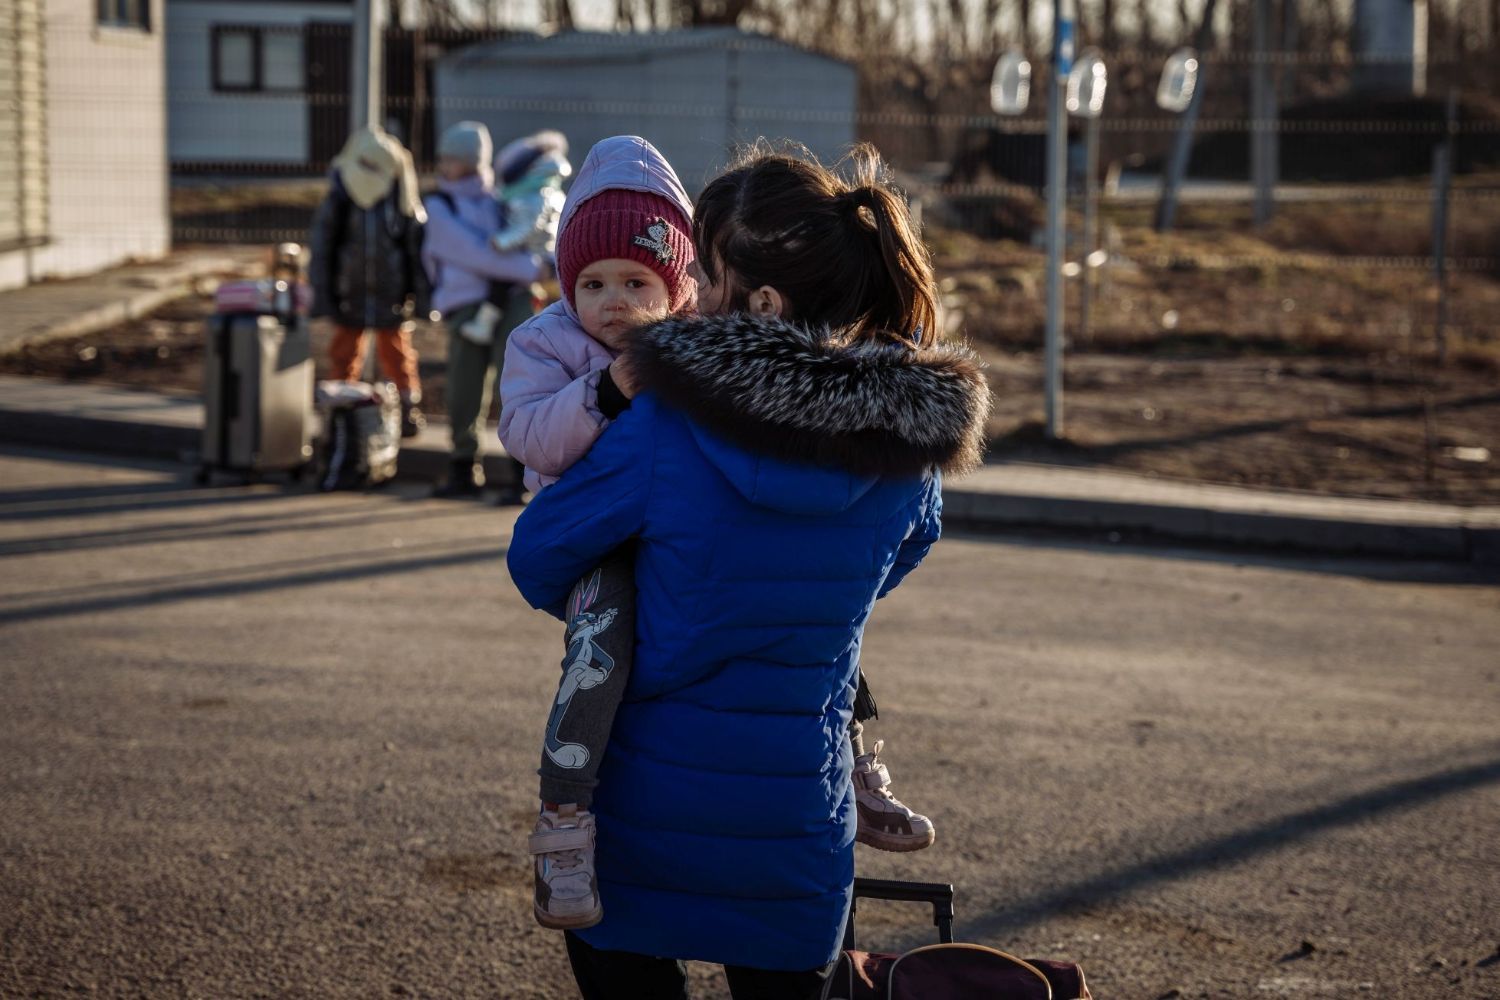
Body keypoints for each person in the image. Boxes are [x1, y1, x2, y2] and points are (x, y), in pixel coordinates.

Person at [505, 142, 991, 999]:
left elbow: (539, 553)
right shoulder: (905, 452)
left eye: (707, 269)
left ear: (761, 300)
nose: (685, 296)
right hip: (797, 821)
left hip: (647, 813)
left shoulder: (665, 429)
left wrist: (643, 592)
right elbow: (910, 545)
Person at [497, 135, 696, 932]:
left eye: (637, 281)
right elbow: (529, 435)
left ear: (677, 288)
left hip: (676, 528)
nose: (613, 300)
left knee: (779, 603)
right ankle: (564, 820)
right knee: (601, 647)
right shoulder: (543, 343)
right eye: (593, 282)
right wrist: (605, 392)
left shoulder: (693, 344)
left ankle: (853, 755)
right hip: (591, 541)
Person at [421, 121, 544, 501]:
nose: (444, 165)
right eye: (443, 157)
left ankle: (521, 474)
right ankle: (463, 467)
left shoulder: (500, 199)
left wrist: (519, 261)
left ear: (473, 162)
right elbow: (471, 252)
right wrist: (529, 271)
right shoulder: (439, 205)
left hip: (510, 302)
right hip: (466, 305)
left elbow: (521, 240)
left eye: (452, 158)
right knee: (464, 388)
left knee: (518, 388)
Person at [309, 126, 428, 438]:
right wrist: (323, 295)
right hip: (350, 292)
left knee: (399, 355)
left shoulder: (399, 196)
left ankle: (406, 409)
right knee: (344, 354)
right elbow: (323, 248)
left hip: (392, 292)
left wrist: (422, 296)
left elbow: (415, 250)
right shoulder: (341, 197)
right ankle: (340, 413)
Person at [460, 129, 572, 347]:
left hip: (535, 254)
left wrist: (502, 241)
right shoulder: (550, 189)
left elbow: (528, 227)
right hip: (546, 255)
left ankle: (484, 324)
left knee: (500, 281)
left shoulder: (534, 196)